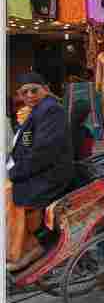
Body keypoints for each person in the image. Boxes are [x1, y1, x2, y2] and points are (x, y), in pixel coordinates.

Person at [7, 73, 74, 272]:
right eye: (24, 92)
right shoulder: (37, 110)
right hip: (40, 169)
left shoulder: (51, 110)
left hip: (52, 173)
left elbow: (43, 152)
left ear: (45, 88)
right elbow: (27, 145)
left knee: (12, 195)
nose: (29, 95)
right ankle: (21, 246)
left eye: (34, 90)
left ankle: (34, 246)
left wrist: (16, 172)